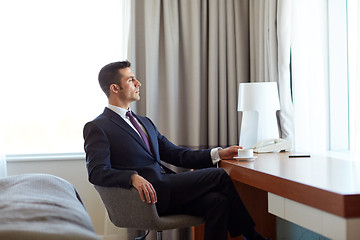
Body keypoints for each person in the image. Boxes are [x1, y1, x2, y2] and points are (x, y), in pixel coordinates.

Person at [83, 61, 268, 240]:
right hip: (149, 196)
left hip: (167, 188)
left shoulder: (144, 122)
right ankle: (253, 237)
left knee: (218, 202)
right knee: (218, 176)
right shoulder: (98, 127)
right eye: (131, 80)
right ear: (115, 88)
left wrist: (218, 154)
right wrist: (131, 177)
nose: (138, 83)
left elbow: (176, 154)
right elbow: (97, 172)